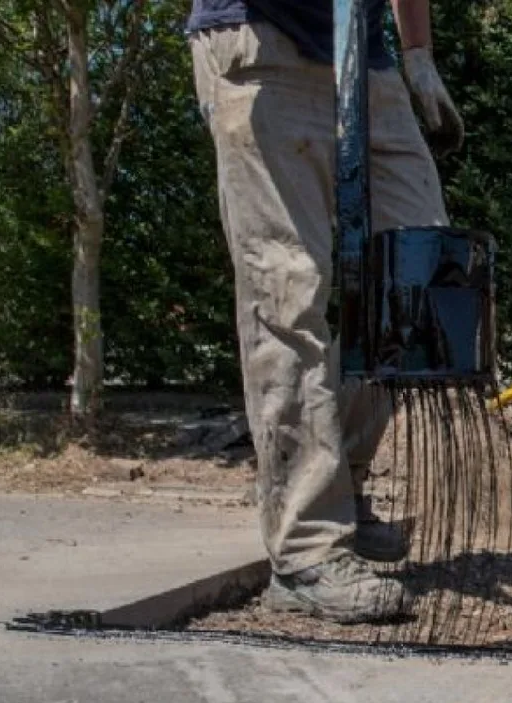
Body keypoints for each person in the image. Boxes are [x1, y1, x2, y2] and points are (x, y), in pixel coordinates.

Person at [187, 0, 464, 622]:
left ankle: (346, 482)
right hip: (260, 46)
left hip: (363, 58)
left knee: (416, 273)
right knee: (286, 289)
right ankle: (307, 549)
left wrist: (417, 54)